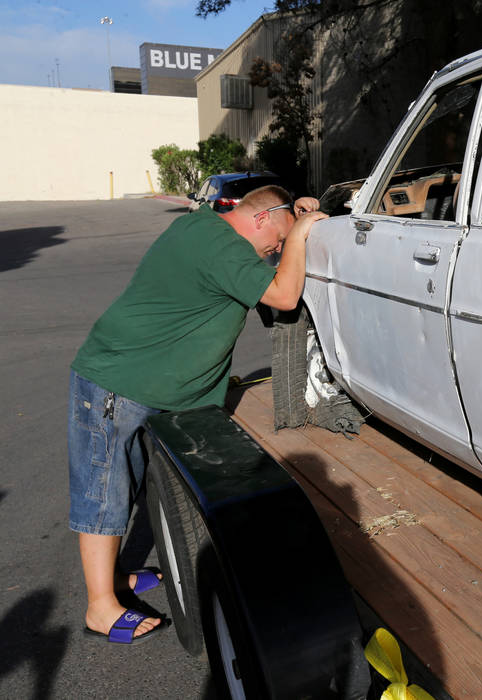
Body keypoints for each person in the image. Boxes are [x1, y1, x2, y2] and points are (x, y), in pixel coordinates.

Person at [68, 185, 327, 643]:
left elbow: (224, 291)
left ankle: (112, 579)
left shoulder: (209, 229)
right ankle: (100, 607)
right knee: (103, 491)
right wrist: (304, 231)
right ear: (263, 218)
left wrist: (296, 218)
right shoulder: (221, 248)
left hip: (144, 382)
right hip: (119, 382)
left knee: (124, 485)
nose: (279, 250)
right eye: (278, 239)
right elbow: (284, 295)